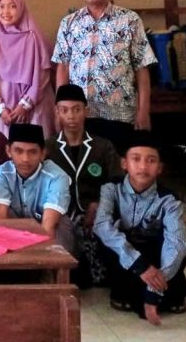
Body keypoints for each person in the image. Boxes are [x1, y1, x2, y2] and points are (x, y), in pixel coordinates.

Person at [52, 0, 156, 149]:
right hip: (80, 116)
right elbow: (63, 67)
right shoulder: (69, 23)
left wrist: (144, 111)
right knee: (85, 164)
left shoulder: (129, 20)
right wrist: (59, 110)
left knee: (118, 163)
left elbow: (141, 67)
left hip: (120, 115)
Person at [94, 131, 186, 325]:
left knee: (180, 248)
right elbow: (102, 225)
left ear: (160, 168)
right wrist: (139, 265)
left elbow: (177, 243)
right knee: (109, 246)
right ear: (124, 163)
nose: (143, 166)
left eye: (151, 160)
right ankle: (160, 291)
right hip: (125, 253)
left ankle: (161, 288)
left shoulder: (169, 199)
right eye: (136, 159)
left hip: (155, 254)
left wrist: (154, 288)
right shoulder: (111, 189)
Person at [46, 83, 119, 286]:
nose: (71, 116)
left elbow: (115, 182)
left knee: (104, 273)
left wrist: (98, 204)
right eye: (65, 110)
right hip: (63, 214)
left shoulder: (103, 146)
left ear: (85, 111)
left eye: (76, 109)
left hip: (98, 212)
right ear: (57, 112)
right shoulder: (48, 147)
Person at [0, 123, 71, 245]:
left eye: (32, 152)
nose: (25, 159)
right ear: (8, 151)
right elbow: (0, 218)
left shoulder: (57, 176)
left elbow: (48, 227)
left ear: (42, 154)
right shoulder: (2, 173)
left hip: (49, 231)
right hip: (15, 230)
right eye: (18, 151)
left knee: (61, 224)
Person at [0, 0, 54, 138]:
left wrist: (25, 105)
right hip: (7, 108)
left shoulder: (32, 37)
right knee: (9, 147)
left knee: (37, 145)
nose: (6, 11)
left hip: (35, 104)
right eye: (1, 6)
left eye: (12, 6)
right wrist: (0, 108)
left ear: (21, 8)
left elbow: (43, 75)